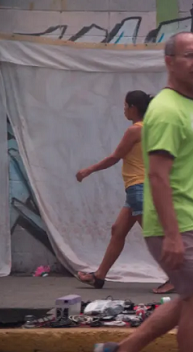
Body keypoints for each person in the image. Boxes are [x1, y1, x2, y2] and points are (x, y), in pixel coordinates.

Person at [93, 32, 193, 352]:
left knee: (190, 296)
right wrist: (172, 234)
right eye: (188, 55)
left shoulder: (190, 107)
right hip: (178, 222)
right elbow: (157, 175)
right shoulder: (167, 110)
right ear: (169, 62)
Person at [76, 90, 155, 289]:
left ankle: (179, 277)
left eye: (125, 106)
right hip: (137, 189)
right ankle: (99, 276)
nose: (124, 111)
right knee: (117, 230)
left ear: (133, 108)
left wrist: (89, 170)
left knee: (156, 237)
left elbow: (115, 157)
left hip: (139, 188)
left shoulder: (134, 130)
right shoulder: (150, 127)